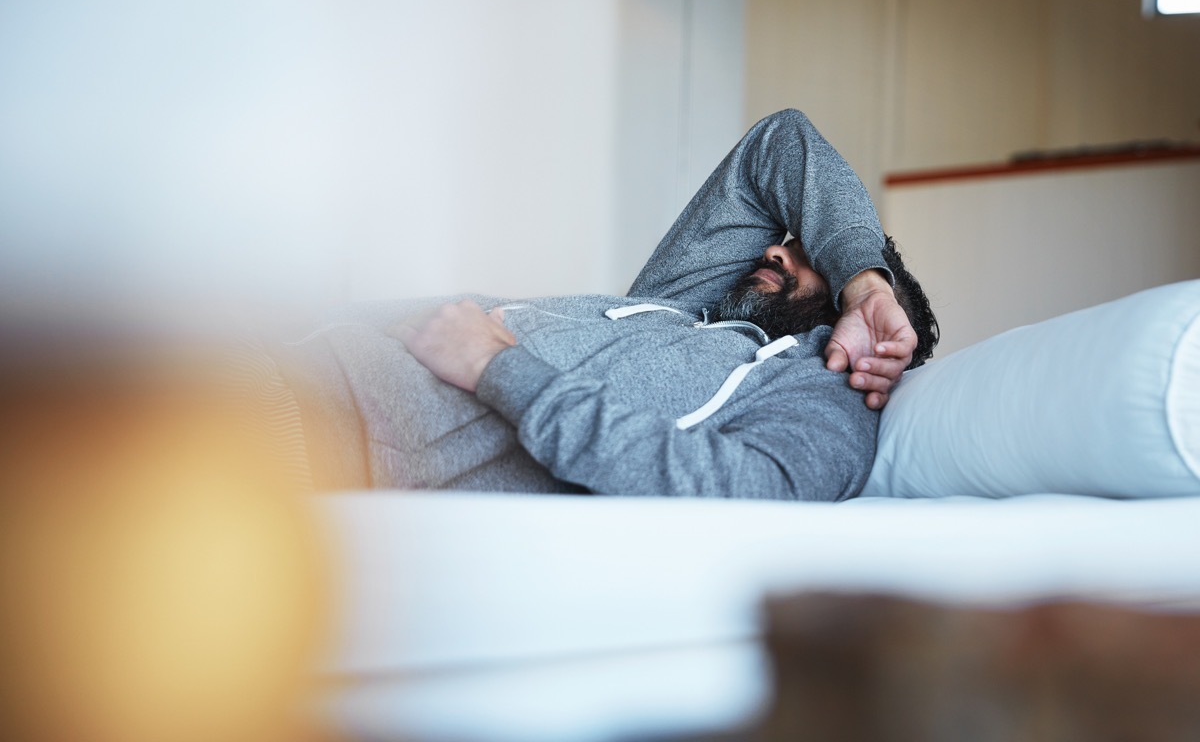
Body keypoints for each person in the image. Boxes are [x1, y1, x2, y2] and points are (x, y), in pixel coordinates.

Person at [270, 109, 938, 498]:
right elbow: (781, 142)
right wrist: (863, 278)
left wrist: (495, 367)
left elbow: (731, 488)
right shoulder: (689, 312)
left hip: (328, 430)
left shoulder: (821, 403)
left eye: (807, 259)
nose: (776, 253)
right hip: (300, 354)